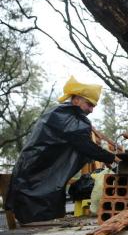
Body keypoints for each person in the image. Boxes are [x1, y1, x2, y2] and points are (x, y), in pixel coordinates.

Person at [5, 76, 121, 224]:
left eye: (93, 107)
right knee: (41, 224)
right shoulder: (66, 117)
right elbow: (84, 145)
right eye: (89, 104)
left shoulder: (64, 115)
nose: (91, 110)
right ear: (76, 99)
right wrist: (112, 158)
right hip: (35, 180)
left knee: (49, 220)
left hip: (39, 179)